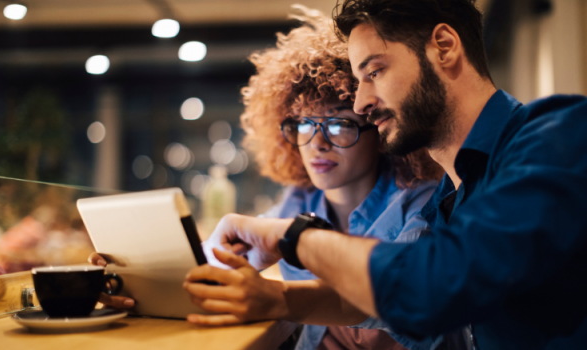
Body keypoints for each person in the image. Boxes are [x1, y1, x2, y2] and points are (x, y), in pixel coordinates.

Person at [188, 0, 587, 349]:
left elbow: (435, 282)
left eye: (374, 72)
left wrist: (293, 236)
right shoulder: (447, 198)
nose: (361, 102)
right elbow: (375, 299)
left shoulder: (561, 132)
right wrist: (277, 300)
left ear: (444, 48)